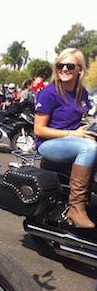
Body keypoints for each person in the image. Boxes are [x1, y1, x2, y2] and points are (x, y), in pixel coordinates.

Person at [34, 47, 97, 228]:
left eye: (69, 66)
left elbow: (78, 121)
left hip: (72, 141)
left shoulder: (82, 93)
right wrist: (73, 133)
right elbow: (39, 130)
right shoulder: (49, 92)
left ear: (80, 69)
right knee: (89, 147)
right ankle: (76, 207)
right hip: (49, 144)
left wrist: (84, 128)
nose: (64, 69)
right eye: (60, 65)